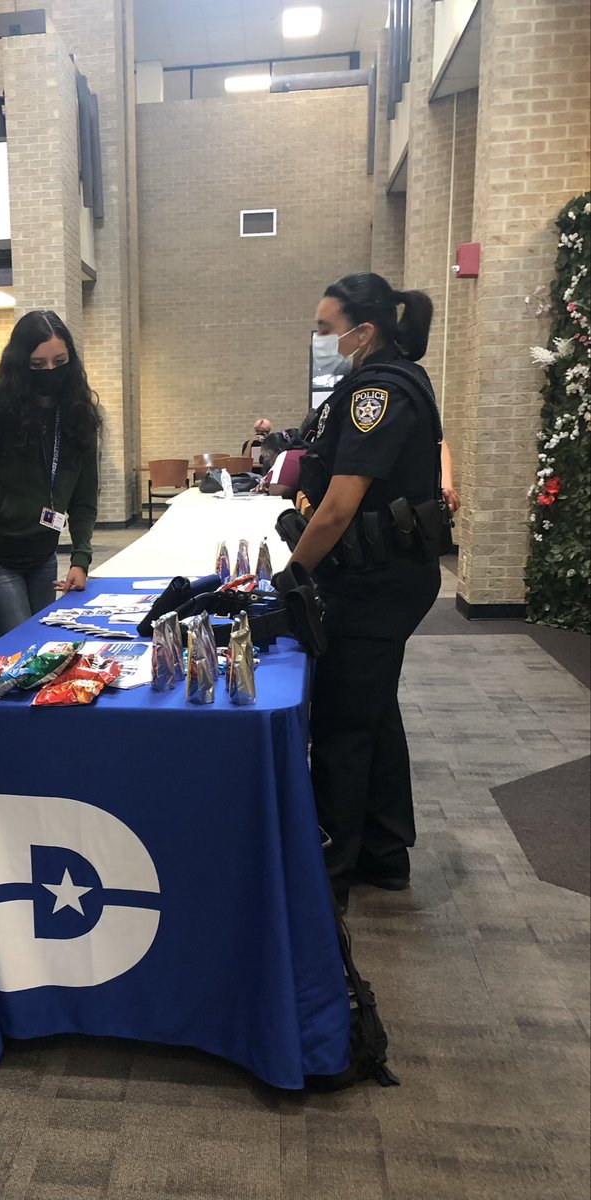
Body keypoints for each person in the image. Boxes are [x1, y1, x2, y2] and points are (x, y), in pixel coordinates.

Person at [283, 272, 444, 911]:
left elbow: (337, 509)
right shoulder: (399, 376)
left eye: (327, 329)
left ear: (363, 330)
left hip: (373, 582)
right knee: (375, 712)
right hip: (391, 575)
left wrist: (291, 575)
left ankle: (330, 873)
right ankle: (385, 853)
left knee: (343, 724)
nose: (323, 339)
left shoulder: (375, 391)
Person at [0, 309, 101, 638]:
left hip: (44, 553)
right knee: (21, 649)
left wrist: (80, 558)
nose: (50, 372)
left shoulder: (78, 411)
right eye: (38, 365)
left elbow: (85, 496)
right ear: (20, 363)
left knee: (45, 644)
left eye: (60, 362)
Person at [255, 429, 306, 499]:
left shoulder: (286, 456)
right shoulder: (301, 452)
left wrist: (268, 487)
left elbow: (276, 493)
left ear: (279, 451)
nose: (266, 461)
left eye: (267, 456)